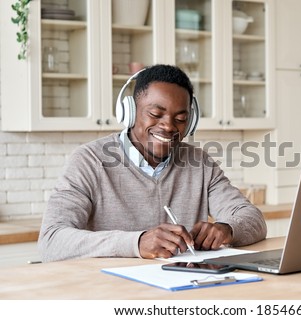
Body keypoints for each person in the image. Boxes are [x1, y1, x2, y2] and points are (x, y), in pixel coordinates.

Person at [38, 64, 267, 262]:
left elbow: (252, 218)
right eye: (156, 114)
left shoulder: (199, 163)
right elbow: (51, 240)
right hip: (110, 292)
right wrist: (136, 243)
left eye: (180, 119)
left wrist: (227, 229)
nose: (168, 126)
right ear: (129, 112)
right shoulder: (89, 160)